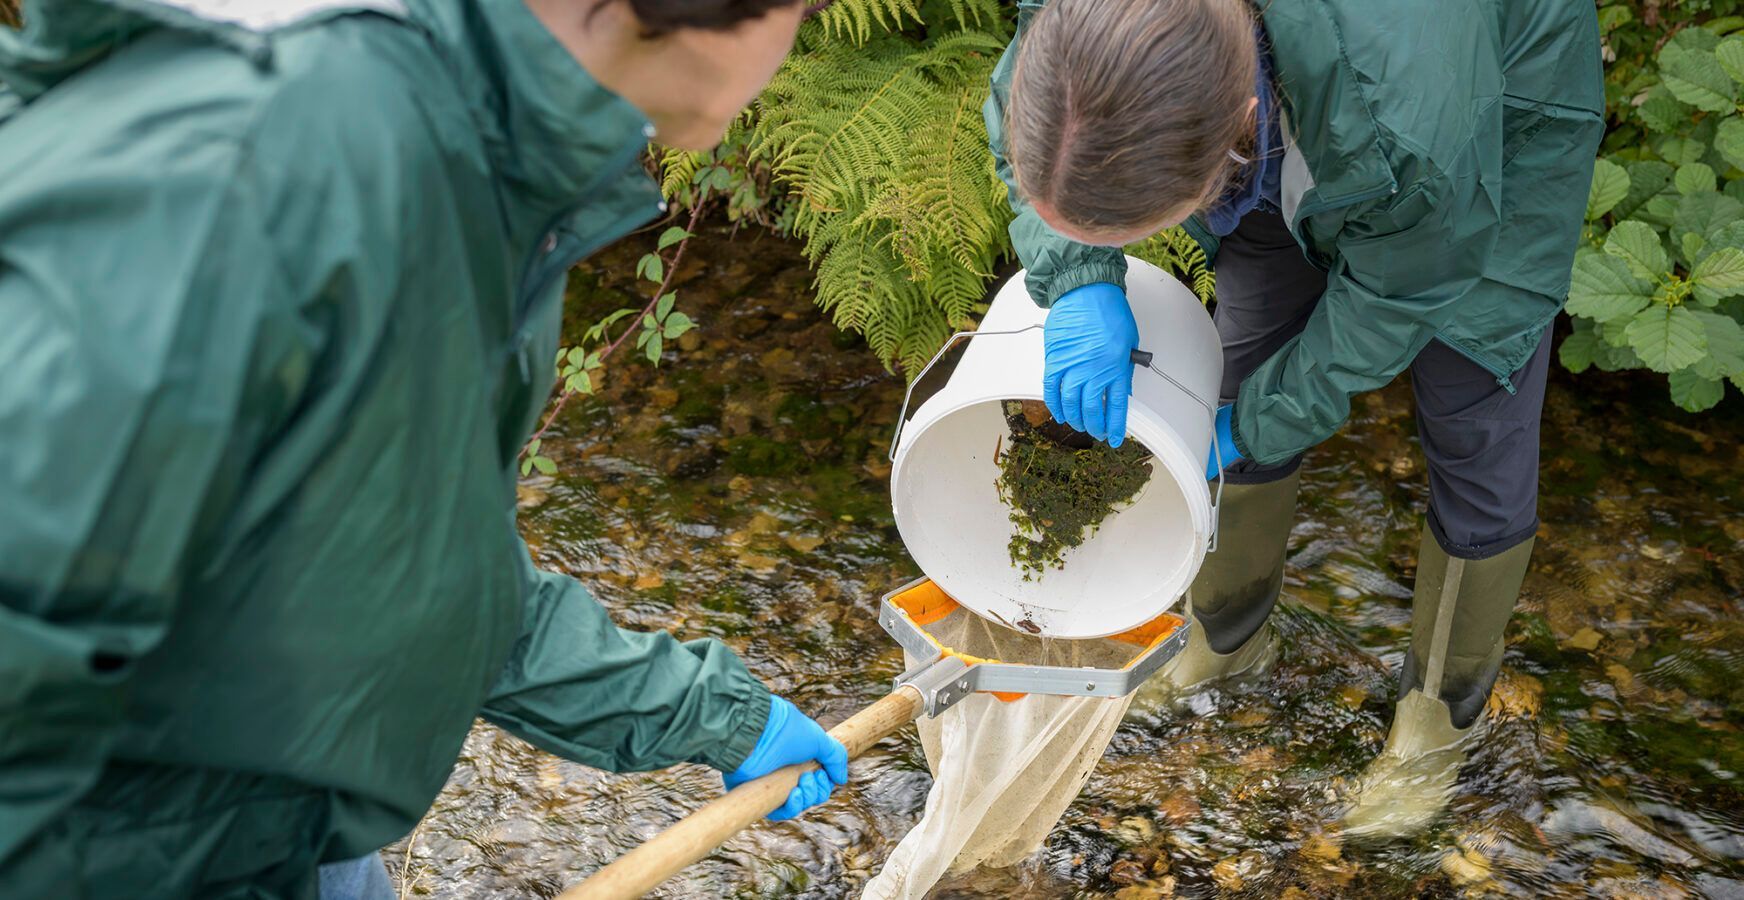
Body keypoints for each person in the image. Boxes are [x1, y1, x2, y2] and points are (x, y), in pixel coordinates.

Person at [0, 0, 848, 896]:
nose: (797, 38)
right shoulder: (262, 166)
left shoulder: (476, 156)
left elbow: (420, 572)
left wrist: (715, 715)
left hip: (279, 832)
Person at [985, 0, 1602, 837]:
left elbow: (1395, 296)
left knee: (1474, 420)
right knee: (1244, 360)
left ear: (1238, 125)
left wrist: (1256, 428)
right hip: (1317, 109)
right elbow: (1026, 96)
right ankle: (1225, 637)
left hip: (1489, 136)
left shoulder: (1408, 123)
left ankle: (1436, 722)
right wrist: (1078, 272)